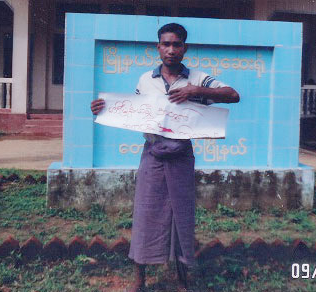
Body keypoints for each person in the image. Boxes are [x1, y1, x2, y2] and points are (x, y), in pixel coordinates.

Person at [91, 23, 239, 292]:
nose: (171, 50)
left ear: (185, 48)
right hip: (153, 154)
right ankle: (140, 280)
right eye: (166, 44)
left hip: (181, 156)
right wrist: (104, 109)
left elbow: (233, 95)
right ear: (158, 47)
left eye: (177, 44)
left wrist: (196, 91)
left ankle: (182, 280)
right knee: (145, 213)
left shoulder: (198, 78)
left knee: (181, 215)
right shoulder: (146, 80)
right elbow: (132, 114)